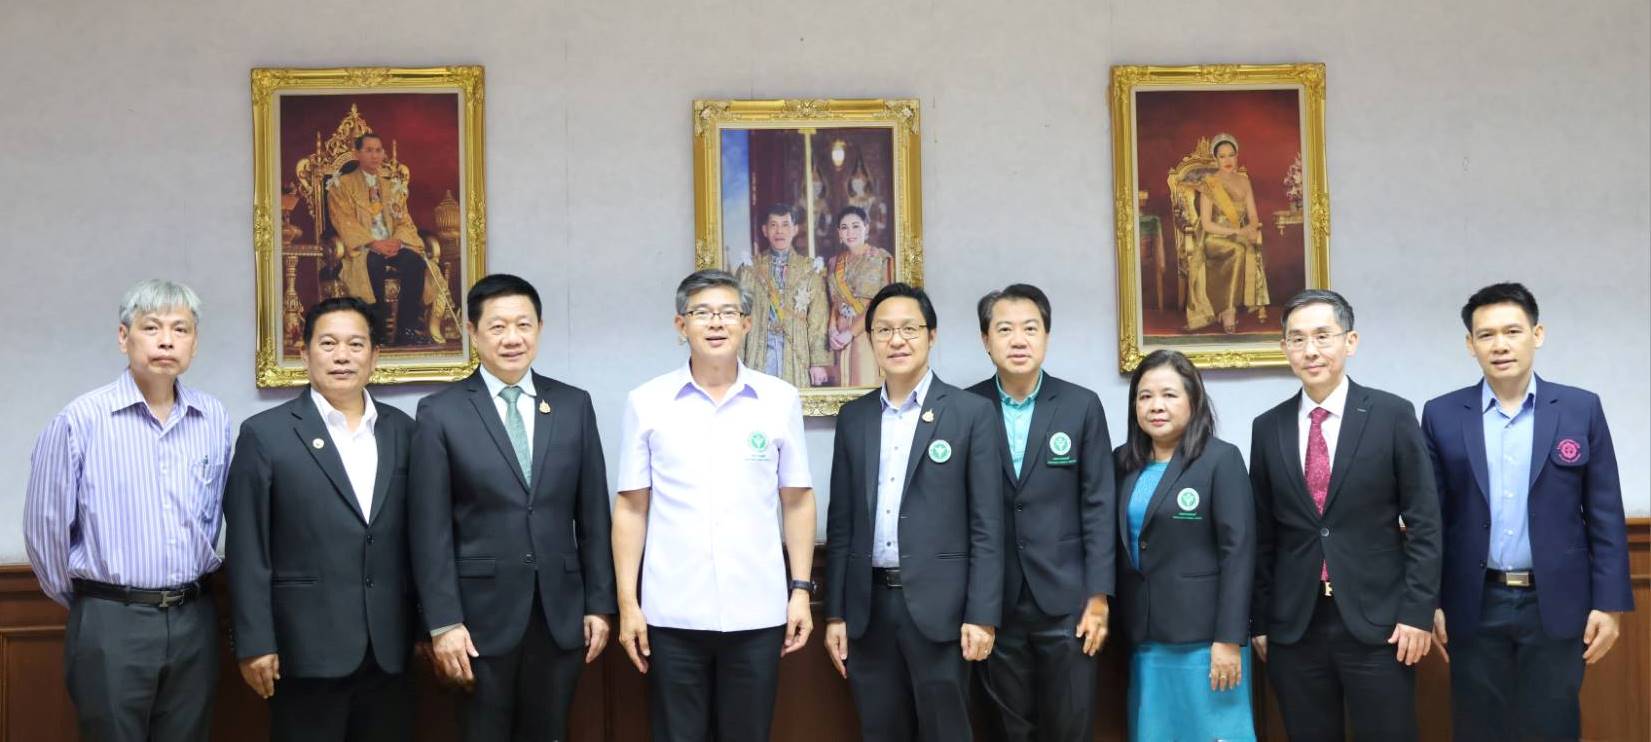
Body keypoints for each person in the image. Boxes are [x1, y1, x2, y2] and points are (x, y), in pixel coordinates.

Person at [611, 269, 819, 742]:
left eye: (728, 312)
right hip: (672, 615)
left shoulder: (779, 399)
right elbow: (631, 508)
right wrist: (628, 604)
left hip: (758, 612)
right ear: (681, 325)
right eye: (702, 313)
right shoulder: (647, 402)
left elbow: (797, 500)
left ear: (747, 324)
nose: (716, 323)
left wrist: (801, 590)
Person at [1422, 282, 1633, 741]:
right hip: (1473, 602)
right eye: (1486, 335)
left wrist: (1610, 604)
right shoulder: (1441, 415)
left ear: (1537, 335)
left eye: (1512, 331)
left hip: (1557, 601)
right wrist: (1429, 602)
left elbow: (1604, 513)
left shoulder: (1579, 408)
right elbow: (1431, 520)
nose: (1500, 345)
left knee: (1553, 725)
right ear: (1470, 344)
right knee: (1478, 727)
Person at [408, 274, 615, 741]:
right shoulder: (440, 413)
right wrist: (443, 622)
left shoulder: (573, 405)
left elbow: (593, 516)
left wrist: (599, 605)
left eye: (523, 324)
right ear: (472, 332)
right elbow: (429, 530)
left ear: (539, 328)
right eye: (498, 326)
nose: (512, 338)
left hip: (560, 616)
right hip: (477, 621)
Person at [24, 279, 231, 742]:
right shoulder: (80, 420)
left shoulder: (213, 418)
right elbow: (45, 533)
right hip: (111, 619)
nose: (166, 341)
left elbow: (212, 514)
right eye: (151, 327)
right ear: (124, 337)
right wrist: (97, 603)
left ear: (194, 343)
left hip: (194, 617)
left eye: (180, 329)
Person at [1248, 288, 1442, 741]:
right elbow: (1263, 534)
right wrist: (1261, 619)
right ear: (1284, 348)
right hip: (1296, 625)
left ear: (1350, 341)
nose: (1310, 350)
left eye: (1323, 336)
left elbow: (1425, 522)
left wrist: (1417, 612)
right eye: (1297, 339)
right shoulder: (1268, 427)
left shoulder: (1391, 415)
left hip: (1380, 623)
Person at [225, 297, 417, 742]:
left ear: (375, 356)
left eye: (356, 344)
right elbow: (248, 548)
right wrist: (255, 642)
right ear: (304, 352)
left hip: (389, 649)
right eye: (328, 343)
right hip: (304, 650)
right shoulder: (265, 435)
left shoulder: (404, 431)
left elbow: (422, 538)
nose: (342, 356)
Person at [823, 282, 1004, 742]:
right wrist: (836, 614)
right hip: (868, 609)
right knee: (880, 729)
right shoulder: (855, 417)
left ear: (931, 335)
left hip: (943, 611)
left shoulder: (971, 413)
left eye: (909, 328)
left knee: (947, 732)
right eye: (884, 330)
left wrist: (982, 613)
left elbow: (987, 525)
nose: (897, 340)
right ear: (870, 340)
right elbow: (842, 523)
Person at [965, 284, 1114, 742]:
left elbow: (1099, 504)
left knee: (1070, 725)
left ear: (1046, 336)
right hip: (996, 602)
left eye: (1030, 328)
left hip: (1068, 602)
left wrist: (1098, 596)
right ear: (985, 340)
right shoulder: (965, 408)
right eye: (1004, 329)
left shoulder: (1080, 405)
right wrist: (974, 606)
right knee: (1010, 730)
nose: (1018, 340)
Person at [1114, 350, 1255, 742]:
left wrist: (1228, 638)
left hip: (1206, 642)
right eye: (1144, 396)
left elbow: (1239, 553)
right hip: (1145, 639)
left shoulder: (1220, 460)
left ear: (1194, 400)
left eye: (1169, 395)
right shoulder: (1122, 462)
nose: (1156, 406)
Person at [326, 132, 438, 345]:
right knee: (373, 263)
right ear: (357, 154)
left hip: (392, 245)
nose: (375, 155)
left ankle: (405, 329)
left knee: (414, 262)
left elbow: (404, 220)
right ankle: (376, 332)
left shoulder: (391, 186)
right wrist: (373, 243)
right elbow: (343, 220)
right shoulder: (342, 185)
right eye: (369, 150)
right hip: (363, 248)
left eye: (378, 150)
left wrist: (397, 240)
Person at [734, 204, 833, 387]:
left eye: (785, 224)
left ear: (795, 229)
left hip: (796, 352)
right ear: (765, 230)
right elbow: (737, 317)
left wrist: (818, 363)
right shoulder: (749, 269)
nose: (779, 231)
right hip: (759, 350)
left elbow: (818, 319)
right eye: (773, 225)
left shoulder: (810, 270)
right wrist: (736, 360)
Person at [1185, 133, 1268, 334]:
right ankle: (1228, 310)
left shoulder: (1244, 182)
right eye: (1222, 156)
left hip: (1238, 235)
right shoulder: (1210, 184)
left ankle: (1226, 308)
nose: (1227, 160)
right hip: (1213, 238)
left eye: (1231, 155)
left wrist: (1252, 228)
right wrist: (1237, 231)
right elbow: (1206, 224)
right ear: (1216, 159)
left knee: (1242, 247)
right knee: (1238, 250)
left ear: (1237, 156)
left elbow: (1253, 215)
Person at [825, 206, 894, 386]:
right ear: (839, 233)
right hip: (839, 338)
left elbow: (883, 304)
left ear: (866, 228)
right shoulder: (834, 262)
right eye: (844, 227)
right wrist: (832, 330)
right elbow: (834, 303)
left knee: (865, 386)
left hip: (867, 333)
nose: (850, 232)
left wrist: (851, 332)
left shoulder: (881, 258)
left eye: (856, 226)